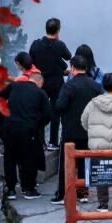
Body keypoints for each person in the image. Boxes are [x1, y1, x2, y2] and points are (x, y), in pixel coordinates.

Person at [0, 51, 52, 200]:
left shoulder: (14, 86)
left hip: (10, 126)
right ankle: (29, 189)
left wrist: (0, 120)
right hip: (28, 129)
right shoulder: (40, 93)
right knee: (28, 158)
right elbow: (48, 114)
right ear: (39, 82)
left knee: (10, 158)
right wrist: (37, 124)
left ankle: (11, 190)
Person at [52, 54, 102, 204]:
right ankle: (83, 194)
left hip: (70, 131)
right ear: (86, 68)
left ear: (72, 68)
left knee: (66, 164)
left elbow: (60, 106)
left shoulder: (69, 86)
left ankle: (63, 194)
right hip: (88, 131)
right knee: (84, 163)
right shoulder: (95, 86)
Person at [81, 72, 112, 212]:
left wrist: (94, 132)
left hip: (98, 145)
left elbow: (84, 121)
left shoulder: (93, 103)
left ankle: (103, 204)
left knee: (101, 173)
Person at [29, 17, 72, 149]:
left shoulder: (36, 44)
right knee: (55, 112)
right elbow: (68, 56)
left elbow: (31, 60)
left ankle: (41, 142)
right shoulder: (59, 45)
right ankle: (53, 142)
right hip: (56, 83)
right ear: (58, 31)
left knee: (39, 111)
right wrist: (58, 41)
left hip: (40, 82)